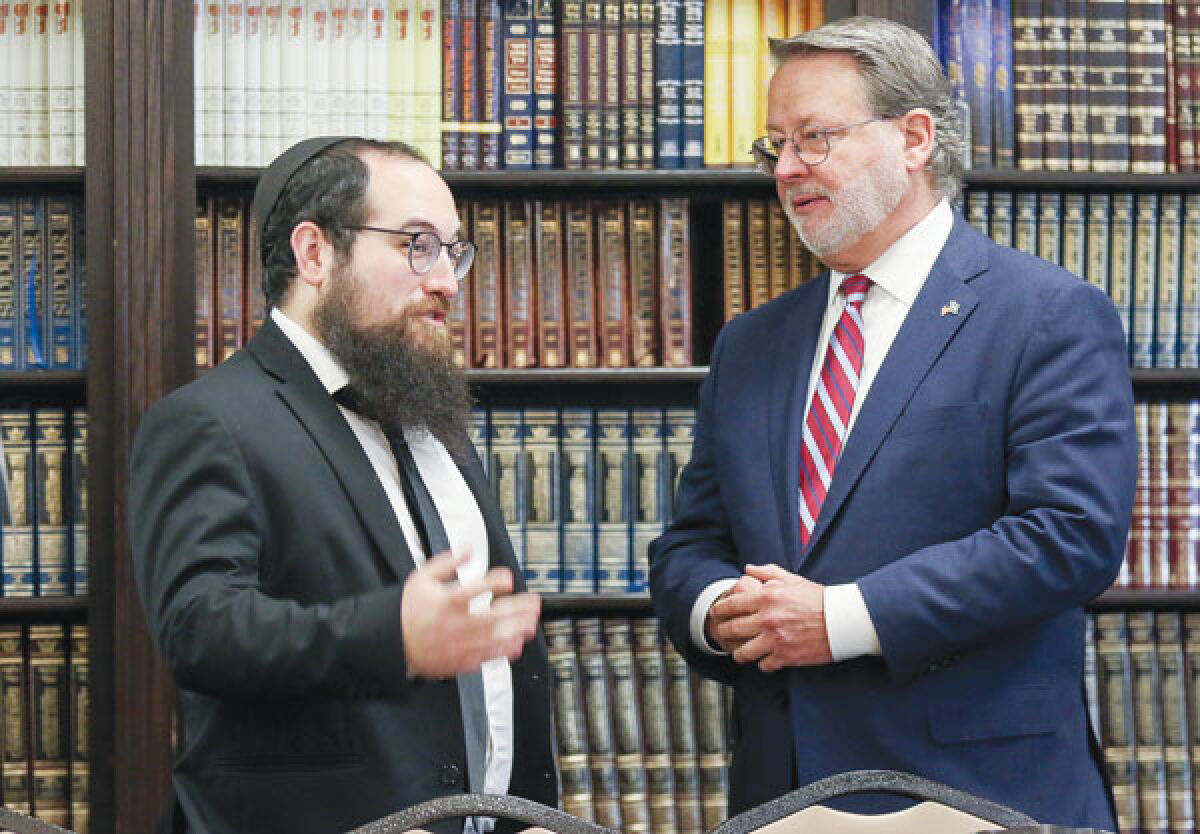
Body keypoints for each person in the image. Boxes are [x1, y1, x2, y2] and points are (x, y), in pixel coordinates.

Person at [648, 16, 1135, 830]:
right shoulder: (751, 343)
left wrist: (838, 619)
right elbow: (690, 543)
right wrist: (723, 609)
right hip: (783, 794)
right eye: (776, 146)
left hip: (976, 793)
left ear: (914, 138)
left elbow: (1068, 535)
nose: (788, 168)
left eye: (815, 137)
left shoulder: (1047, 314)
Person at [130, 137, 557, 834]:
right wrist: (393, 636)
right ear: (315, 254)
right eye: (417, 246)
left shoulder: (427, 414)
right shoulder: (209, 422)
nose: (447, 282)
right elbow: (199, 628)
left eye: (453, 251)